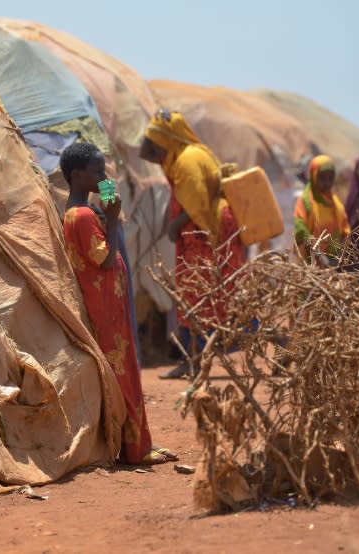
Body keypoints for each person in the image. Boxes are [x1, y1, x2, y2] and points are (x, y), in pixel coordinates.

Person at [59, 142, 178, 465]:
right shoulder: (83, 216)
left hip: (107, 304)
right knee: (124, 375)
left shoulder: (79, 211)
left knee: (122, 374)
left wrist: (105, 213)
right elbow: (106, 259)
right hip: (105, 308)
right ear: (78, 175)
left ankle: (135, 444)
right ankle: (136, 448)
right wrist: (111, 219)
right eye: (98, 172)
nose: (104, 176)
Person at [139, 109, 246, 379]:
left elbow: (196, 203)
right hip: (199, 236)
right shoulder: (183, 156)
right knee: (198, 296)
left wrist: (174, 227)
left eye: (154, 140)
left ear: (168, 139)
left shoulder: (187, 160)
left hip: (204, 236)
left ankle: (196, 360)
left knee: (198, 296)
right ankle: (194, 360)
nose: (149, 146)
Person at [293, 154, 350, 261]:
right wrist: (315, 249)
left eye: (330, 178)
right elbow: (299, 228)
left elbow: (344, 228)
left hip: (334, 261)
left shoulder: (335, 202)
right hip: (311, 261)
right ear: (313, 176)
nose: (327, 182)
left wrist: (342, 249)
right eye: (322, 178)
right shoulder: (306, 201)